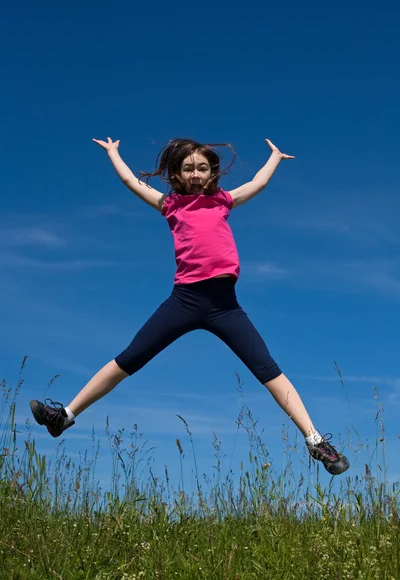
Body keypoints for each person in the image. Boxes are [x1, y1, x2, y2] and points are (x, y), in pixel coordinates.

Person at [30, 136, 349, 476]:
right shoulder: (171, 206)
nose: (195, 173)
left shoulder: (223, 202)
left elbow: (257, 183)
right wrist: (114, 153)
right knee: (128, 359)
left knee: (268, 370)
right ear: (177, 176)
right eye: (187, 169)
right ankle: (64, 416)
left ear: (211, 172)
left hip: (225, 306)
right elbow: (129, 181)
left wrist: (273, 158)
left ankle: (316, 442)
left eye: (201, 168)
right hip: (184, 300)